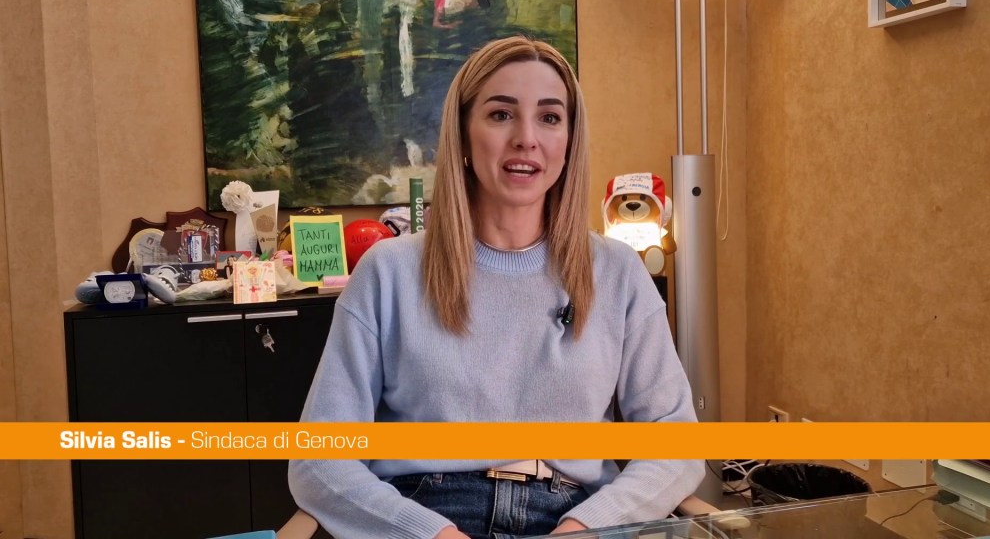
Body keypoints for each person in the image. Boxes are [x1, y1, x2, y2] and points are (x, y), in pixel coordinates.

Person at [289, 35, 703, 539]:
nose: (526, 138)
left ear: (569, 140)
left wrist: (588, 526)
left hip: (574, 515)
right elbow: (318, 460)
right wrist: (428, 533)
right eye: (501, 114)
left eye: (549, 117)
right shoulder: (388, 272)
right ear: (463, 135)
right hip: (429, 514)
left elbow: (675, 444)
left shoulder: (617, 271)